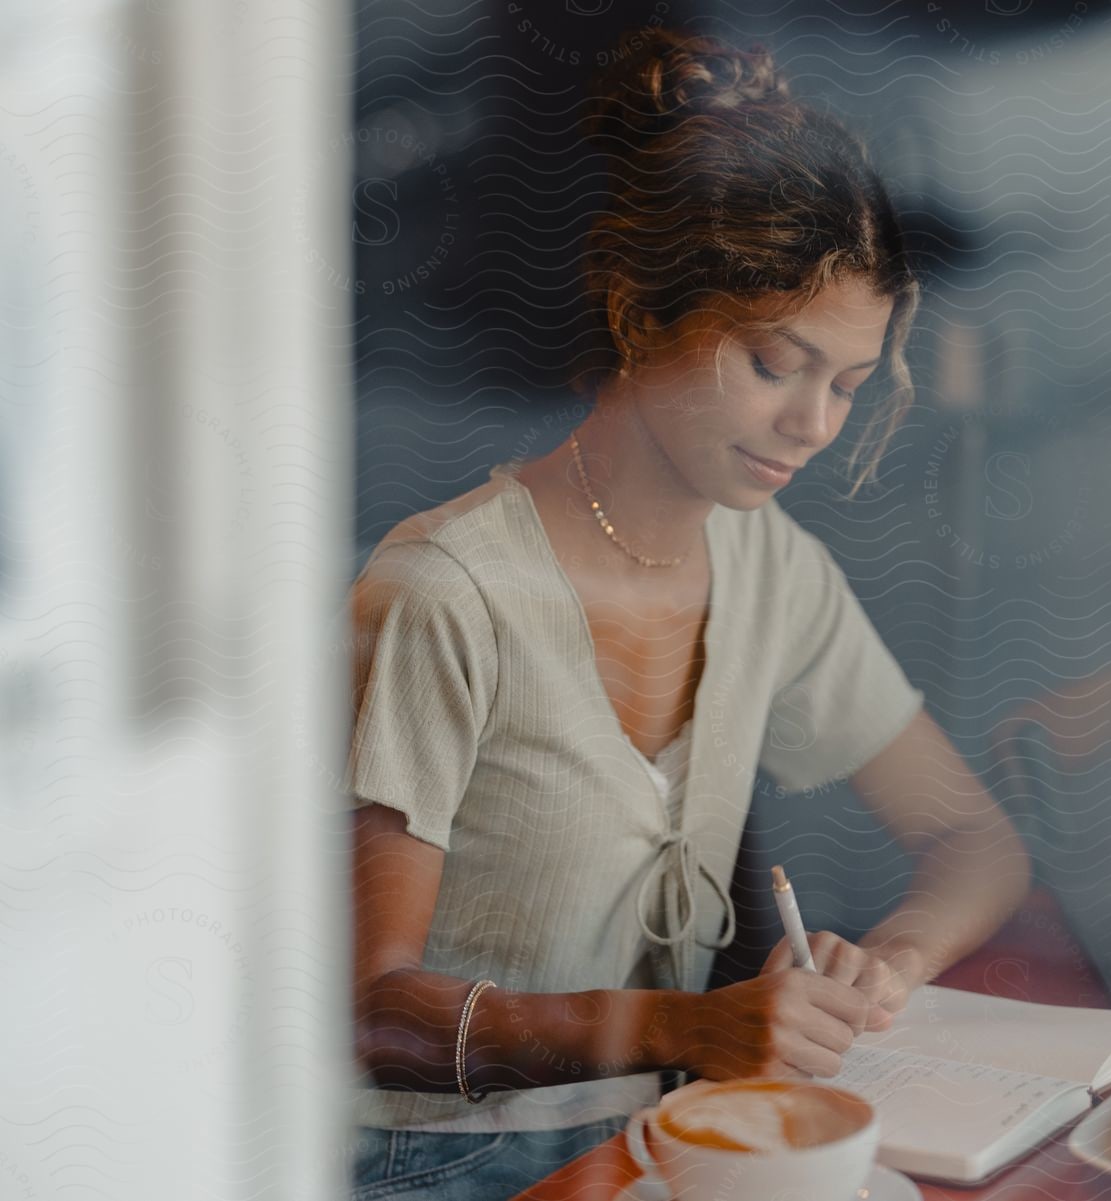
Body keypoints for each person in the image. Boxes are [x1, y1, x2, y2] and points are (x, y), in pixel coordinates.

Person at [343, 25, 1031, 1201]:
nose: (815, 423)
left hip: (669, 1147)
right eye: (776, 362)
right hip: (430, 1163)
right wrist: (687, 1026)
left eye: (848, 385)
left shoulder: (774, 569)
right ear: (645, 317)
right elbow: (373, 1014)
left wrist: (885, 967)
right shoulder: (447, 590)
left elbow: (977, 845)